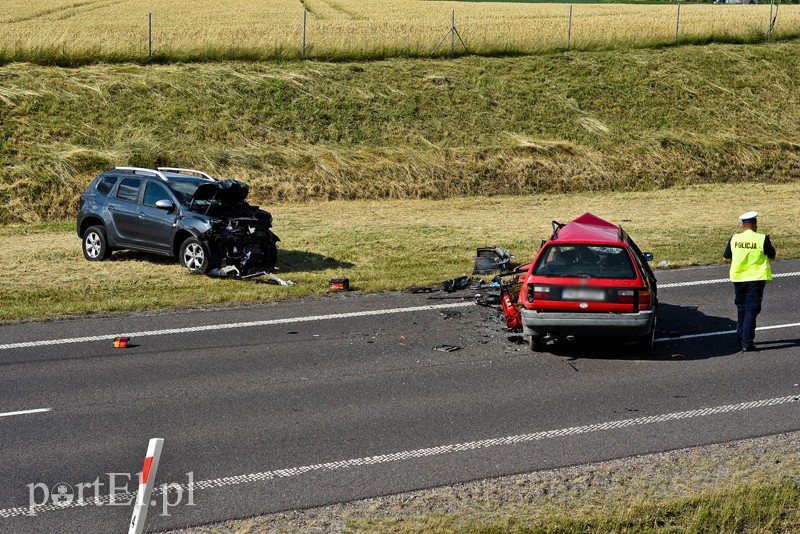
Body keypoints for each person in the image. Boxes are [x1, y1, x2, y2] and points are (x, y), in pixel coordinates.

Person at [722, 211, 776, 352]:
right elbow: (772, 255)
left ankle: (740, 337)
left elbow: (725, 258)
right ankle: (747, 342)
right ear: (755, 224)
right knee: (752, 309)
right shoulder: (761, 238)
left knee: (741, 308)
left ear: (743, 226)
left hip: (739, 278)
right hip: (756, 279)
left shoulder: (734, 238)